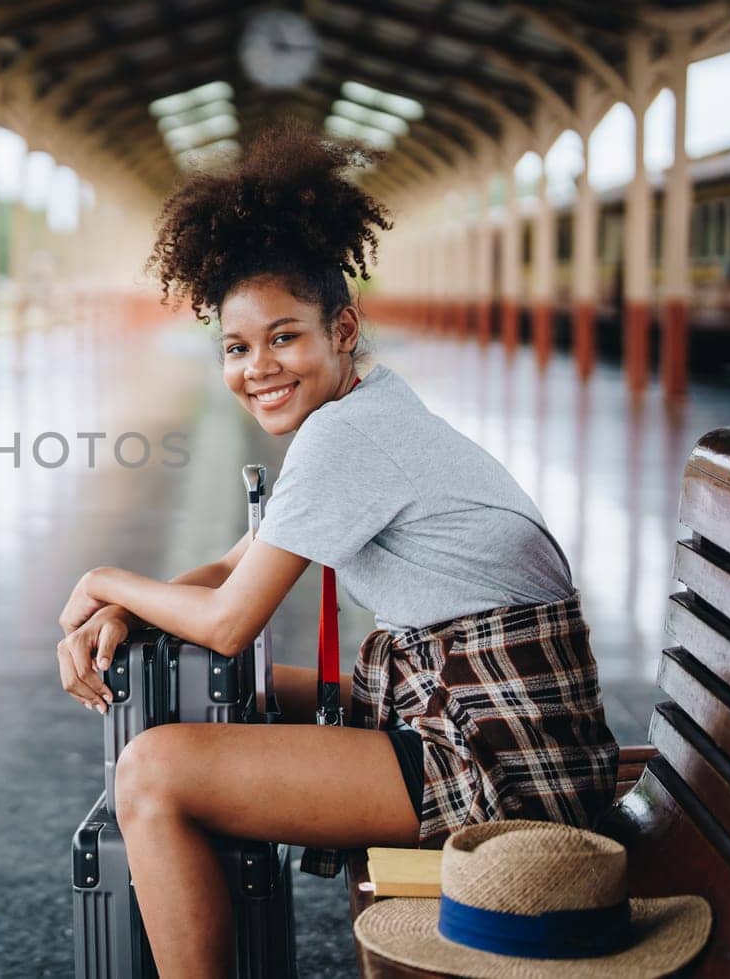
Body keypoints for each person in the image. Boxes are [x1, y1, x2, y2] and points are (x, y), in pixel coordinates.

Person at [53, 123, 619, 978]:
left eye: (286, 336)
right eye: (237, 347)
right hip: (476, 716)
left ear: (342, 328)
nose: (258, 367)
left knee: (154, 769)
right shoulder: (368, 409)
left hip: (501, 763)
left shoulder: (347, 438)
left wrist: (101, 578)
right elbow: (243, 561)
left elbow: (229, 618)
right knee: (222, 701)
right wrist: (127, 606)